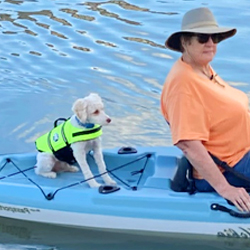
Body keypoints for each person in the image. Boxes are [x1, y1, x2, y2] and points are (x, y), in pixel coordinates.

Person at [160, 7, 250, 212]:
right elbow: (188, 144)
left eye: (215, 37)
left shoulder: (202, 67)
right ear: (185, 42)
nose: (210, 44)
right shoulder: (183, 84)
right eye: (202, 38)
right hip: (231, 168)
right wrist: (226, 189)